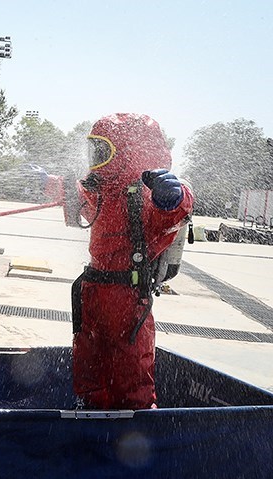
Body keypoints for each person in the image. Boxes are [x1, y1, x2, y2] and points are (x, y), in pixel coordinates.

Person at [69, 113, 194, 410]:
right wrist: (51, 184)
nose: (95, 159)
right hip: (93, 291)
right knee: (89, 362)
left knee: (131, 368)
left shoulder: (147, 196)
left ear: (127, 153)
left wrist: (172, 198)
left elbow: (174, 212)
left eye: (102, 151)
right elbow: (79, 200)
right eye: (94, 150)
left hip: (128, 298)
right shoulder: (102, 191)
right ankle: (90, 413)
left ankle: (136, 425)